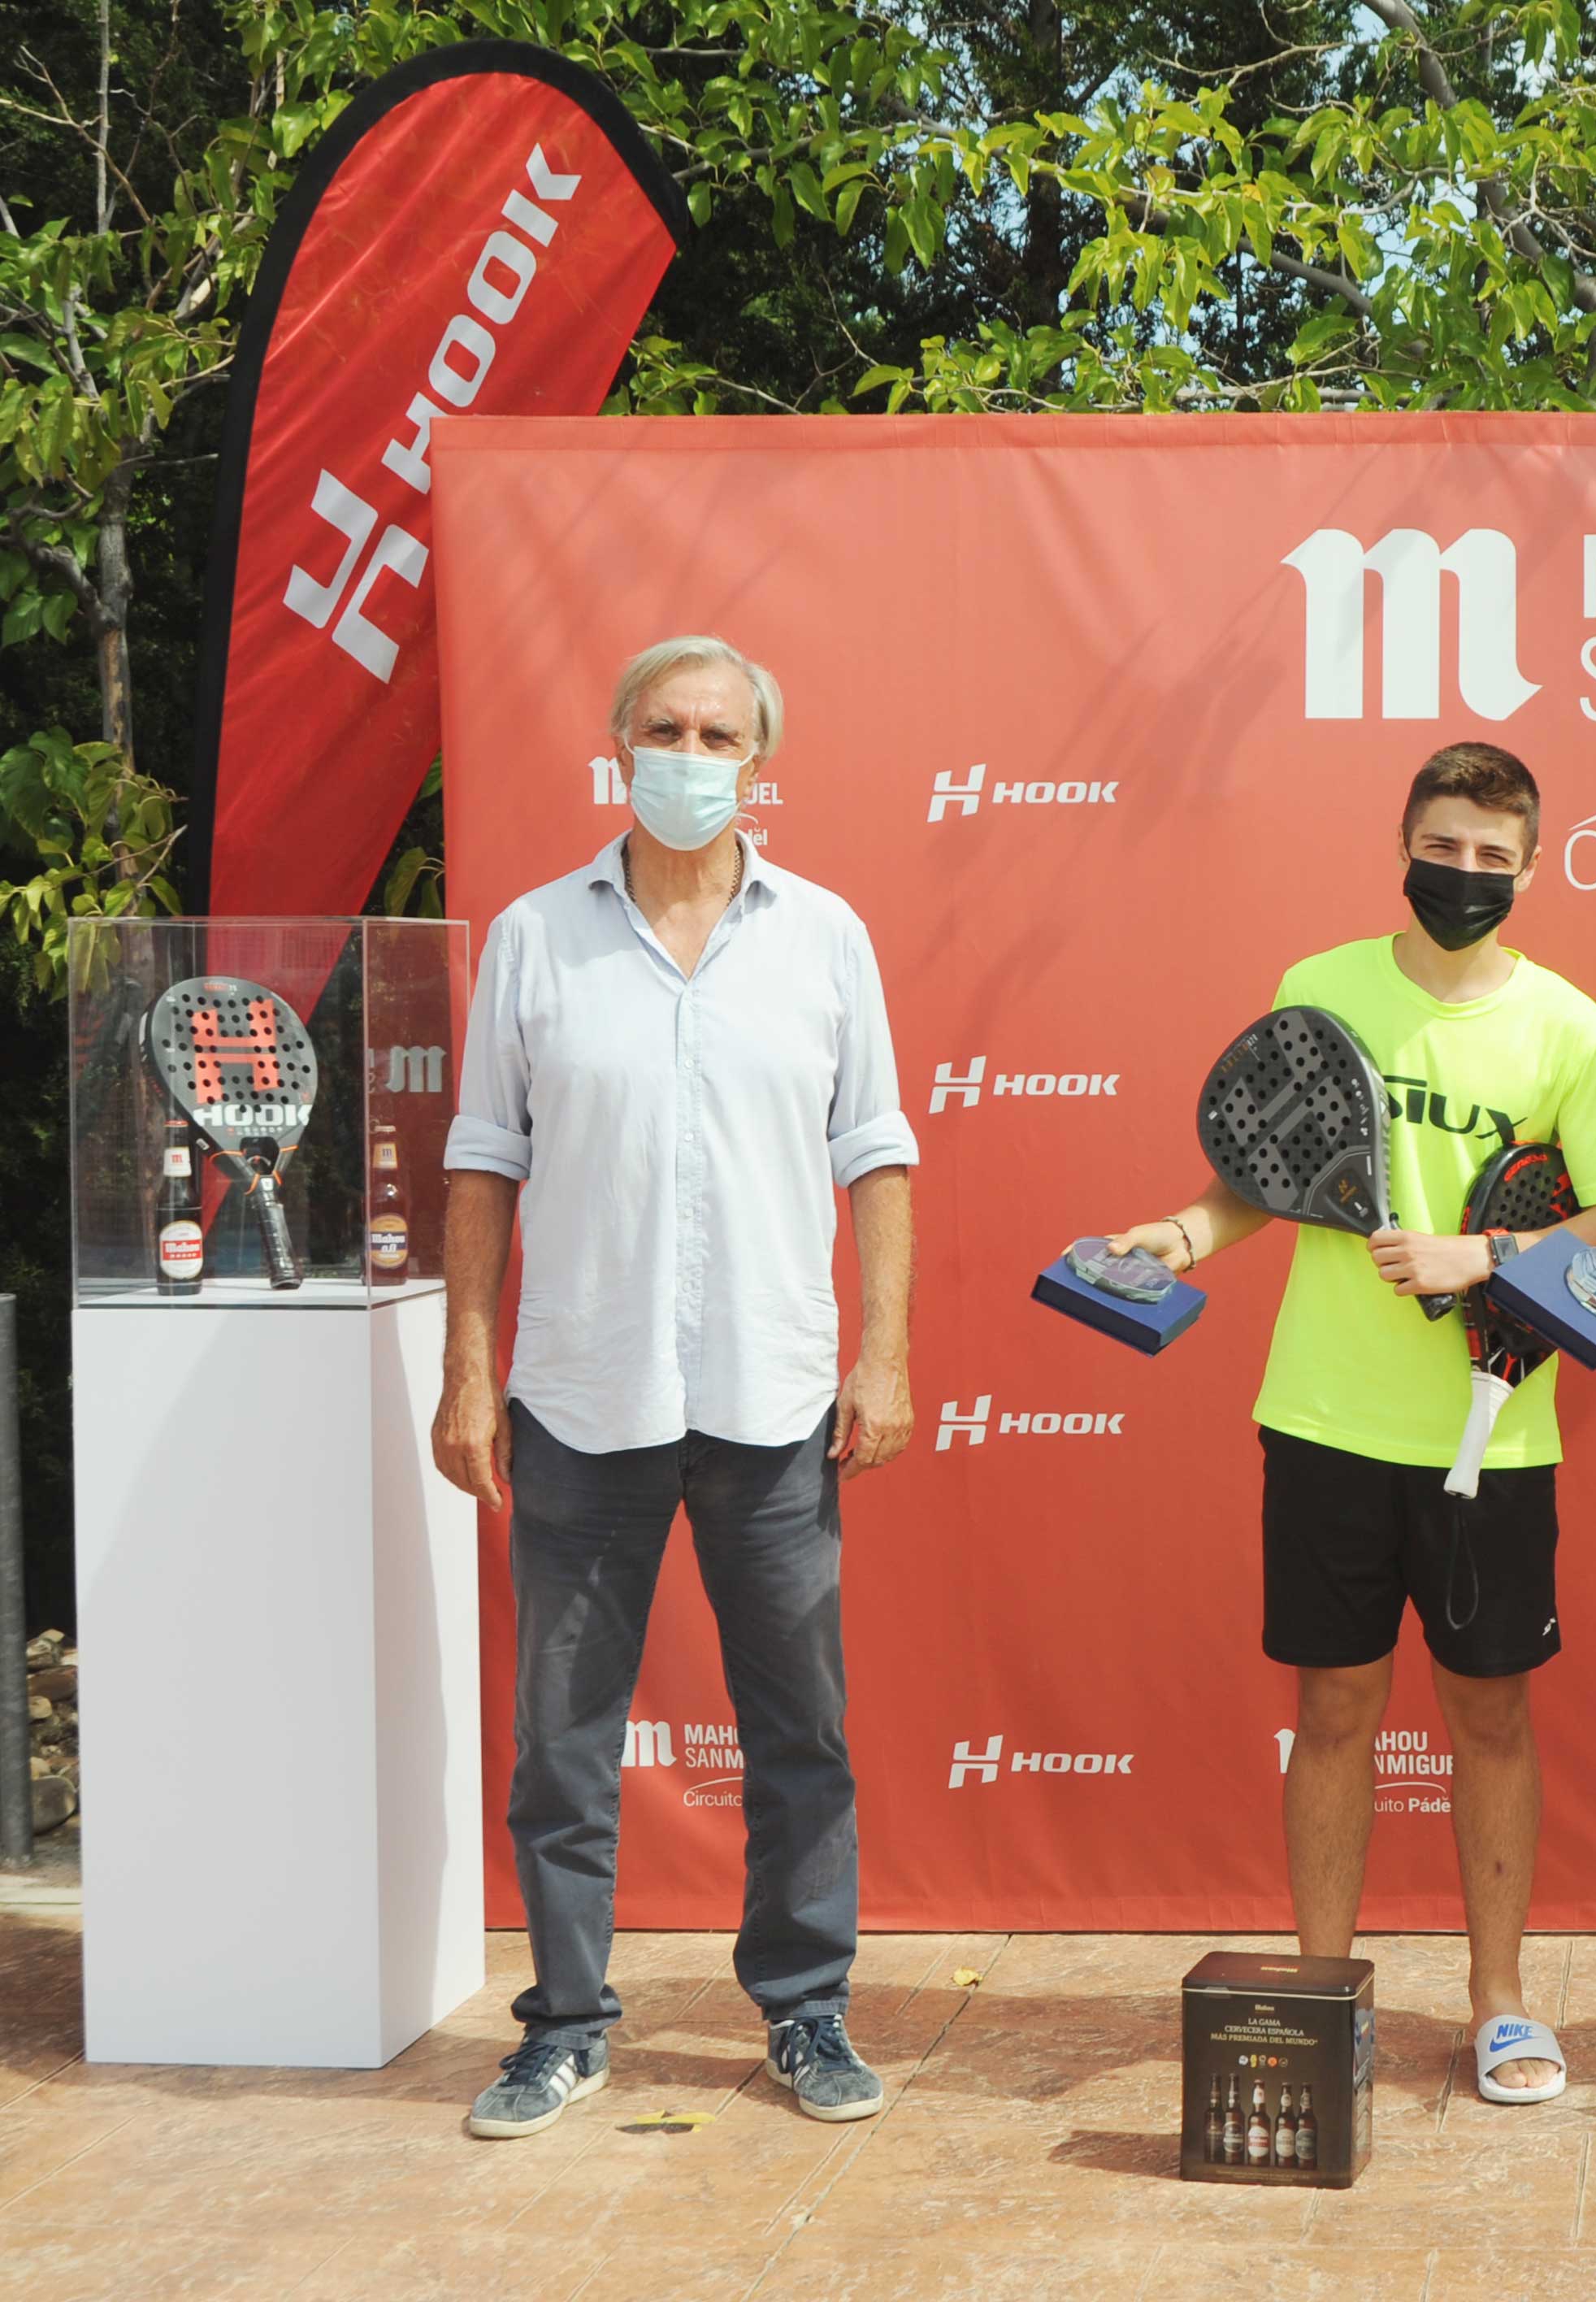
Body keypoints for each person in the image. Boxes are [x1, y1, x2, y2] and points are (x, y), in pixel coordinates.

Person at [1109, 742, 1596, 2105]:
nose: (1462, 873)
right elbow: (1268, 1174)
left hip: (1493, 1431)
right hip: (1326, 1418)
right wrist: (1179, 1231)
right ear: (1403, 842)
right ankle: (1322, 1993)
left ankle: (1503, 2006)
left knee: (1491, 1717)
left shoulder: (1569, 1026)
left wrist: (1484, 1260)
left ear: (1529, 868)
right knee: (1334, 1706)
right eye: (1442, 844)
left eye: (1491, 855)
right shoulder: (1321, 988)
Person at [434, 636, 918, 2140]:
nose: (691, 752)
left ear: (757, 761)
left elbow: (877, 1155)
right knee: (562, 1745)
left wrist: (884, 1351)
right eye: (666, 725)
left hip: (774, 1399)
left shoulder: (827, 936)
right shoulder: (532, 937)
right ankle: (564, 2027)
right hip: (582, 1395)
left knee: (801, 1735)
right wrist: (467, 1372)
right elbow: (483, 1163)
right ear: (617, 741)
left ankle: (807, 2011)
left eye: (719, 732)